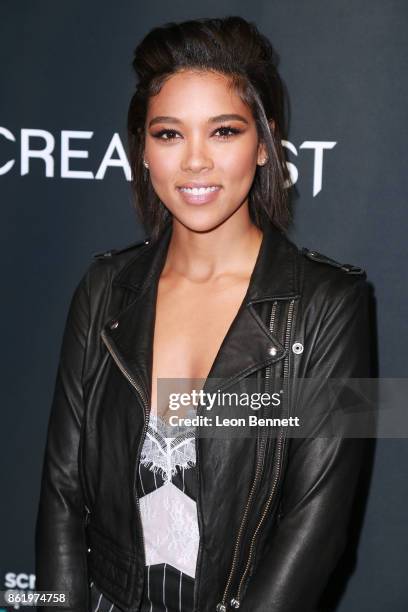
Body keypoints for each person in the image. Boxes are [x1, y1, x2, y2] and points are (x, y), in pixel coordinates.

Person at [35, 15, 372, 612]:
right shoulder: (102, 289)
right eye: (168, 134)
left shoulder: (333, 305)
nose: (194, 162)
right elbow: (61, 494)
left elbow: (316, 528)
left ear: (265, 144)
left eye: (223, 131)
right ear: (141, 148)